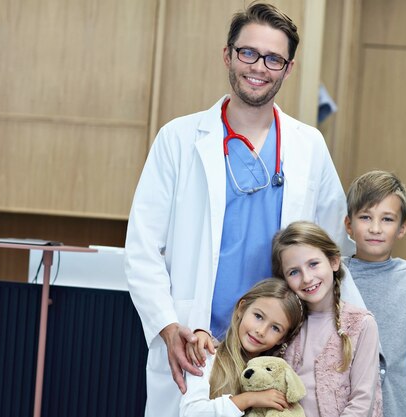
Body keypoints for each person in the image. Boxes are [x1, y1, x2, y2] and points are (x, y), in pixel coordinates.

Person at [124, 3, 357, 416]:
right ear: (228, 54)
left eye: (273, 59)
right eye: (248, 53)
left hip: (279, 352)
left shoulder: (309, 148)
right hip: (196, 345)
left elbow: (334, 253)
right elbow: (142, 248)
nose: (259, 67)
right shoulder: (178, 139)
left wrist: (352, 335)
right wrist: (167, 326)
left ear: (288, 68)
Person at [343, 170, 406, 417]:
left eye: (387, 219)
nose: (375, 228)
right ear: (348, 225)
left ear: (402, 228)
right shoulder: (333, 277)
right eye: (365, 217)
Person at [271, 221, 383, 417]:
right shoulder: (285, 324)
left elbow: (362, 402)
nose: (306, 278)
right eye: (294, 272)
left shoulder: (361, 324)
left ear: (333, 261)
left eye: (313, 264)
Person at [180, 278, 305, 416]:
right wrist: (249, 399)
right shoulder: (206, 355)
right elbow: (191, 412)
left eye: (275, 328)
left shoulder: (273, 377)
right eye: (258, 316)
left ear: (282, 339)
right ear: (242, 308)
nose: (261, 331)